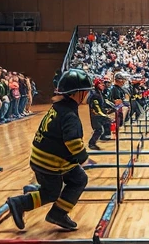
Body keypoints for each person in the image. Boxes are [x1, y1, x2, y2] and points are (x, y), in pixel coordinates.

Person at [6, 69, 95, 232]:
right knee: (51, 193)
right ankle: (19, 203)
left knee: (79, 179)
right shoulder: (70, 116)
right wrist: (85, 159)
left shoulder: (59, 107)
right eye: (86, 91)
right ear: (78, 93)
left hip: (48, 158)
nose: (88, 95)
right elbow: (73, 142)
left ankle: (58, 213)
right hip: (51, 163)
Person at [87, 77, 114, 151]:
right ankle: (91, 144)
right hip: (96, 116)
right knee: (98, 130)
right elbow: (97, 109)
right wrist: (105, 115)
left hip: (100, 114)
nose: (103, 85)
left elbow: (104, 102)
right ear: (97, 85)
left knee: (107, 123)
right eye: (101, 84)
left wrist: (112, 107)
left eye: (103, 84)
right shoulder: (95, 95)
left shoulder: (100, 93)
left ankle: (104, 136)